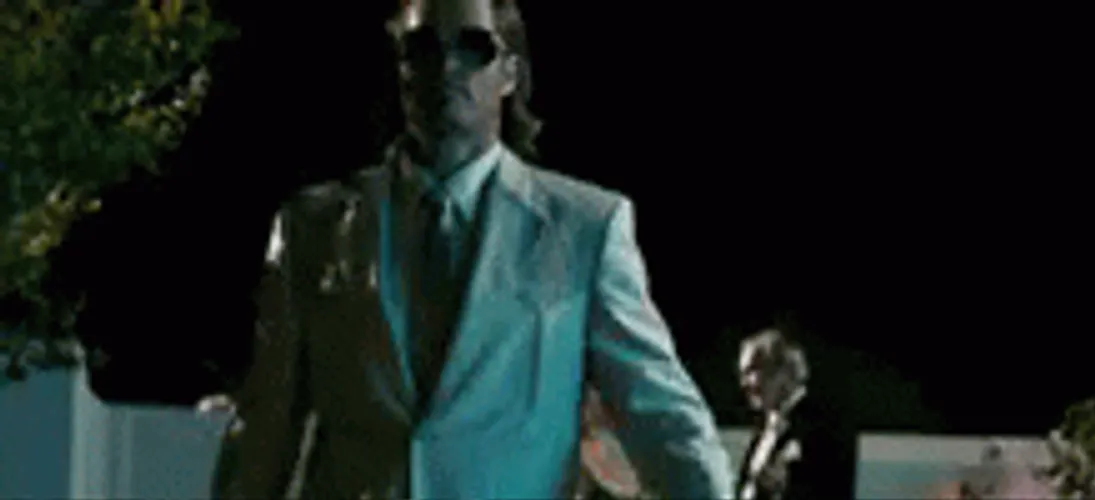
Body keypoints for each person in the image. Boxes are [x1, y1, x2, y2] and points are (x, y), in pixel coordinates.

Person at [208, 0, 732, 498]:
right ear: (399, 66)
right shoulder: (313, 227)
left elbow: (665, 417)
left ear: (510, 72)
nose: (447, 67)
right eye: (422, 48)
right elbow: (264, 431)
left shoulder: (583, 230)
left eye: (473, 46)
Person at [735, 329, 810, 500]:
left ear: (783, 373)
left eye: (751, 371)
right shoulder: (764, 427)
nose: (744, 383)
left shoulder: (816, 425)